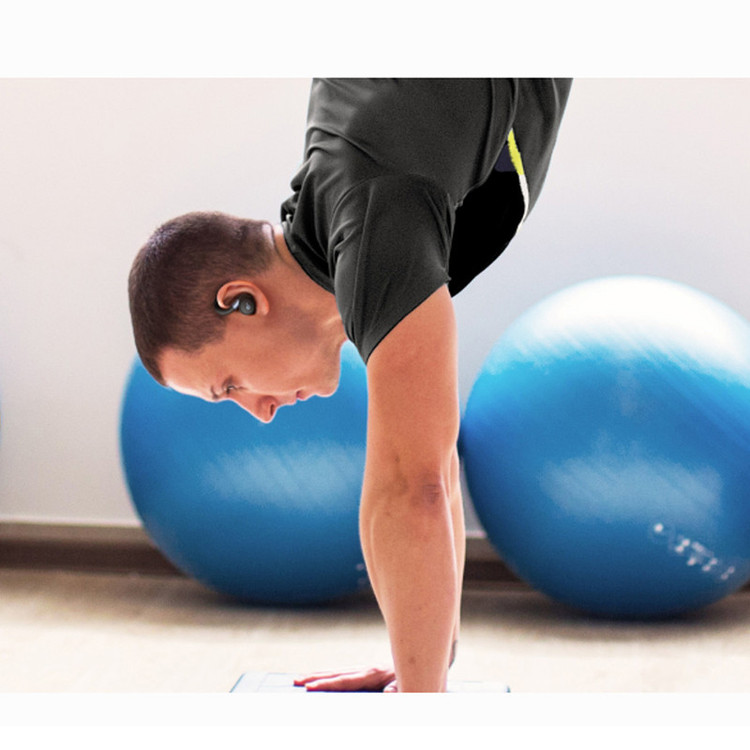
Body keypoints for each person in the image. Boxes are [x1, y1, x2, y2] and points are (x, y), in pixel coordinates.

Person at [128, 78, 572, 693]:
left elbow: (410, 490)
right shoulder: (350, 218)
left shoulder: (371, 221)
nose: (259, 412)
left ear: (242, 301)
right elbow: (432, 468)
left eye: (229, 386)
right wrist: (422, 666)